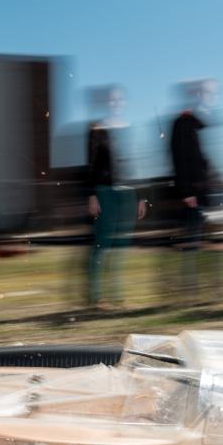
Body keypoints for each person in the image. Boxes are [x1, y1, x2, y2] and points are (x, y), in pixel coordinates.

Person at [87, 86, 147, 308]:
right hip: (105, 191)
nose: (116, 103)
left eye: (120, 99)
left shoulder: (129, 128)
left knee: (121, 245)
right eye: (112, 99)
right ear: (106, 102)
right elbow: (91, 163)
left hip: (128, 193)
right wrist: (92, 194)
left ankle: (117, 294)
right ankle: (96, 296)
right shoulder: (96, 128)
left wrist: (141, 197)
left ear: (125, 103)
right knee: (103, 243)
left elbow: (135, 163)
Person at [169, 79, 218, 297]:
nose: (209, 96)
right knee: (192, 241)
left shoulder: (198, 122)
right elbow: (179, 158)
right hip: (192, 193)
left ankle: (198, 288)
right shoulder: (182, 122)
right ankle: (190, 289)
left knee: (200, 240)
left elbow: (202, 157)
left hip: (203, 190)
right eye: (205, 92)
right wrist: (187, 191)